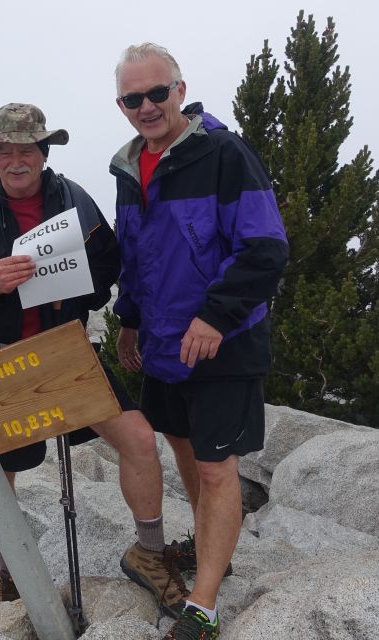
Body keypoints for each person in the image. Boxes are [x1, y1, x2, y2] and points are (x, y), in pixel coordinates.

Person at [0, 103, 175, 609]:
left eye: (26, 149)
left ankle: (150, 553)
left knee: (137, 438)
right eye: (5, 151)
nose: (15, 160)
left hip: (64, 351)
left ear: (44, 153)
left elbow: (110, 261)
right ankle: (10, 574)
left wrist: (80, 290)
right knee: (3, 473)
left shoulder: (74, 198)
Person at [110, 44, 288, 640]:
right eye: (134, 98)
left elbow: (265, 248)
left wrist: (214, 316)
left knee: (216, 470)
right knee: (184, 450)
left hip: (223, 343)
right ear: (121, 104)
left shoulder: (223, 154)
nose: (148, 106)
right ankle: (216, 549)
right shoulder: (130, 169)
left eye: (158, 93)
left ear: (180, 91)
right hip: (163, 345)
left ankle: (203, 607)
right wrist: (129, 319)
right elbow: (136, 257)